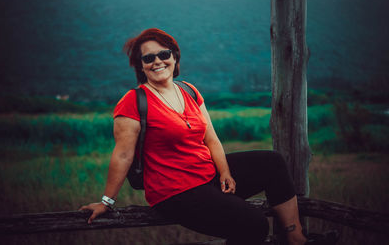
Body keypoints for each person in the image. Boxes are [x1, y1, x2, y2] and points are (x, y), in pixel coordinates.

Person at [79, 28, 307, 245]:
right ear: (141, 66)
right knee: (254, 225)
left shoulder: (189, 90)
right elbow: (123, 155)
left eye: (163, 54)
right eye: (148, 58)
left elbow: (211, 139)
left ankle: (297, 239)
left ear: (174, 57)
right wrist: (106, 202)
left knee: (272, 162)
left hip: (207, 176)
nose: (157, 61)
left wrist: (225, 172)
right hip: (175, 192)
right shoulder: (133, 101)